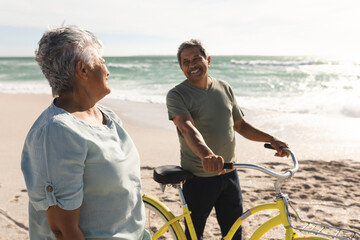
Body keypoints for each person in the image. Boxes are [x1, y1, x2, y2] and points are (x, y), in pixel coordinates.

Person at [21, 26, 150, 240]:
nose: (107, 70)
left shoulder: (107, 116)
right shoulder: (57, 131)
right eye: (102, 61)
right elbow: (63, 231)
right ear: (83, 70)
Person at [166, 39, 289, 239]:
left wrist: (271, 139)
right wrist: (207, 155)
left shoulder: (225, 88)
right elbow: (187, 128)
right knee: (193, 235)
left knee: (234, 233)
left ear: (208, 60)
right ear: (181, 67)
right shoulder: (177, 94)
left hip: (230, 174)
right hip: (198, 178)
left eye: (196, 59)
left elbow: (240, 126)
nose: (191, 65)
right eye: (185, 62)